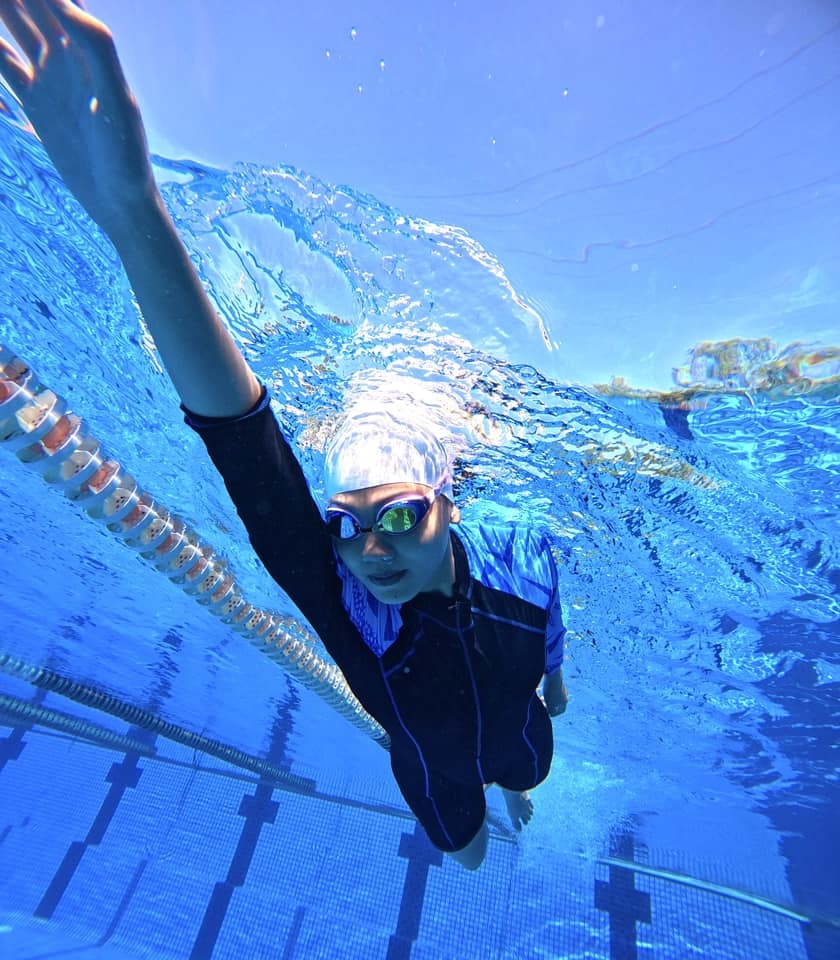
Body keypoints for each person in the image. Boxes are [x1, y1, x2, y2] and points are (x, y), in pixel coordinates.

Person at [0, 0, 569, 870]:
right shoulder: (345, 603)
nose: (369, 549)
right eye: (346, 523)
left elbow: (549, 621)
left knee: (527, 769)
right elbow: (243, 440)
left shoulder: (522, 554)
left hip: (523, 739)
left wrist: (554, 683)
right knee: (472, 860)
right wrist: (132, 211)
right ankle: (488, 798)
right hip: (431, 767)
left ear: (449, 502)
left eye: (398, 517)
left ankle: (515, 785)